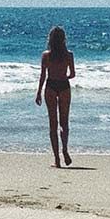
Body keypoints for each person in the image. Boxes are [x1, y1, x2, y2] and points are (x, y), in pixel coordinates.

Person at [34, 25, 75, 167]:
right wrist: (64, 76)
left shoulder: (46, 55)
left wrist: (38, 92)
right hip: (64, 86)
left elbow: (43, 76)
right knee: (64, 122)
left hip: (50, 86)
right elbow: (73, 74)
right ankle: (65, 149)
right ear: (64, 39)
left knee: (53, 124)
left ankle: (57, 159)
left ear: (50, 39)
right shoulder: (69, 55)